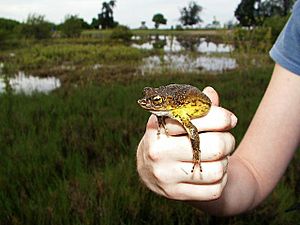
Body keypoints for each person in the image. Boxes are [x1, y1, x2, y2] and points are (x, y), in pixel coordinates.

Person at [136, 1, 300, 216]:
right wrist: (151, 163)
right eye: (151, 98)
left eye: (156, 101)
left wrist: (196, 155)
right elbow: (253, 175)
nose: (147, 103)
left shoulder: (179, 112)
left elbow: (192, 132)